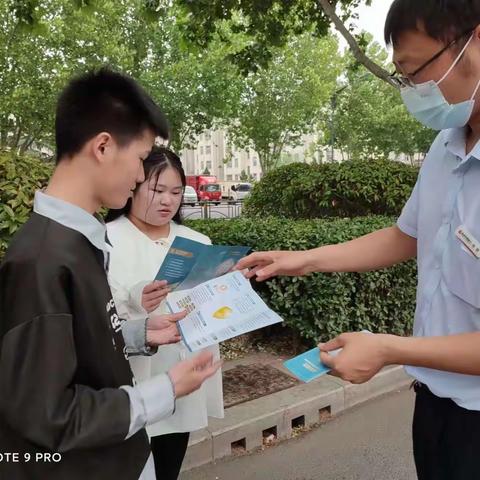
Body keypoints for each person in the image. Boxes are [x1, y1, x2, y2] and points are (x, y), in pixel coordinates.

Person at [236, 1, 480, 478]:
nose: (412, 90)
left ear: (473, 41)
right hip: (432, 402)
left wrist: (390, 348)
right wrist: (301, 260)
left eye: (416, 71)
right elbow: (405, 235)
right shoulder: (447, 143)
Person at [0, 68, 221, 480]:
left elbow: (75, 347)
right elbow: (49, 416)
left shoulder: (79, 240)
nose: (141, 177)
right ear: (102, 147)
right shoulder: (43, 259)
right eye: (140, 159)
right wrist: (165, 389)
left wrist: (137, 335)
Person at [105, 146, 223, 480]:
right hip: (131, 383)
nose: (167, 201)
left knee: (168, 468)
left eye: (175, 192)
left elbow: (210, 304)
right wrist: (135, 298)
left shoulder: (197, 239)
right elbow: (95, 310)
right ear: (134, 185)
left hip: (181, 374)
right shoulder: (106, 239)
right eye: (156, 191)